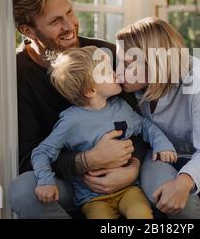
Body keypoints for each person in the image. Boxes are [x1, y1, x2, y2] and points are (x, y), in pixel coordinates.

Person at [9, 0, 148, 219]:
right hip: (71, 182)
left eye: (69, 12)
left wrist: (132, 167)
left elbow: (140, 122)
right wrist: (86, 161)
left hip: (125, 174)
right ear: (28, 30)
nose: (70, 25)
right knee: (22, 191)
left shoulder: (103, 54)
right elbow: (28, 158)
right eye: (55, 21)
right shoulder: (17, 74)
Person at [31, 46, 177, 219]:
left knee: (141, 214)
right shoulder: (69, 122)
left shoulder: (121, 108)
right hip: (93, 199)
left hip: (129, 190)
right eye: (108, 72)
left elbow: (145, 126)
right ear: (91, 90)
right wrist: (46, 181)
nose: (116, 74)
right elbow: (42, 152)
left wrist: (162, 144)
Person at [116, 17, 200, 219]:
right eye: (118, 62)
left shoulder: (196, 76)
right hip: (157, 155)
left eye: (127, 65)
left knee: (190, 199)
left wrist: (183, 183)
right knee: (176, 205)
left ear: (156, 63)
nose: (117, 72)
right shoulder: (126, 87)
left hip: (198, 156)